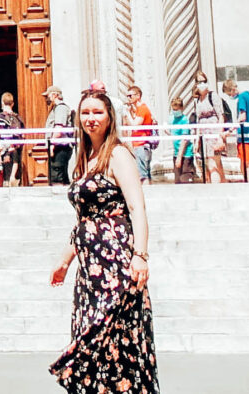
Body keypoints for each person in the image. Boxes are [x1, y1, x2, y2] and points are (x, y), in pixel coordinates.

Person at [48, 83, 156, 394]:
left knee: (115, 337)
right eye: (85, 112)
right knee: (93, 340)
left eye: (98, 112)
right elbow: (84, 219)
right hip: (90, 269)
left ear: (110, 116)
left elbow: (136, 206)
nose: (91, 118)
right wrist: (65, 261)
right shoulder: (85, 158)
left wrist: (141, 254)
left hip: (116, 264)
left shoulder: (118, 154)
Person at [123, 84, 159, 182]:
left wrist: (127, 114)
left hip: (142, 144)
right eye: (127, 96)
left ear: (138, 96)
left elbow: (135, 125)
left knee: (143, 175)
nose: (128, 98)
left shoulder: (143, 108)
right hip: (138, 144)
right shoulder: (138, 110)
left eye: (130, 96)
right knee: (142, 173)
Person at [226, 79, 249, 182]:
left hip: (246, 135)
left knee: (247, 163)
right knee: (245, 162)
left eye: (229, 93)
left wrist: (230, 130)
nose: (230, 96)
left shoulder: (242, 98)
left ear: (232, 89)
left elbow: (242, 117)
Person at [45, 87, 76, 187]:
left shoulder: (61, 108)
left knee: (57, 178)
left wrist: (52, 145)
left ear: (55, 95)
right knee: (61, 176)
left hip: (60, 147)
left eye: (48, 96)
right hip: (58, 146)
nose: (46, 99)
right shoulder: (56, 108)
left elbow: (59, 128)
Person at [0, 93, 25, 186]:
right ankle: (13, 177)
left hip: (3, 148)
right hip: (15, 148)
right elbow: (23, 135)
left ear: (2, 103)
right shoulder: (18, 118)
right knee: (15, 173)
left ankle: (8, 180)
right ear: (12, 104)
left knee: (5, 178)